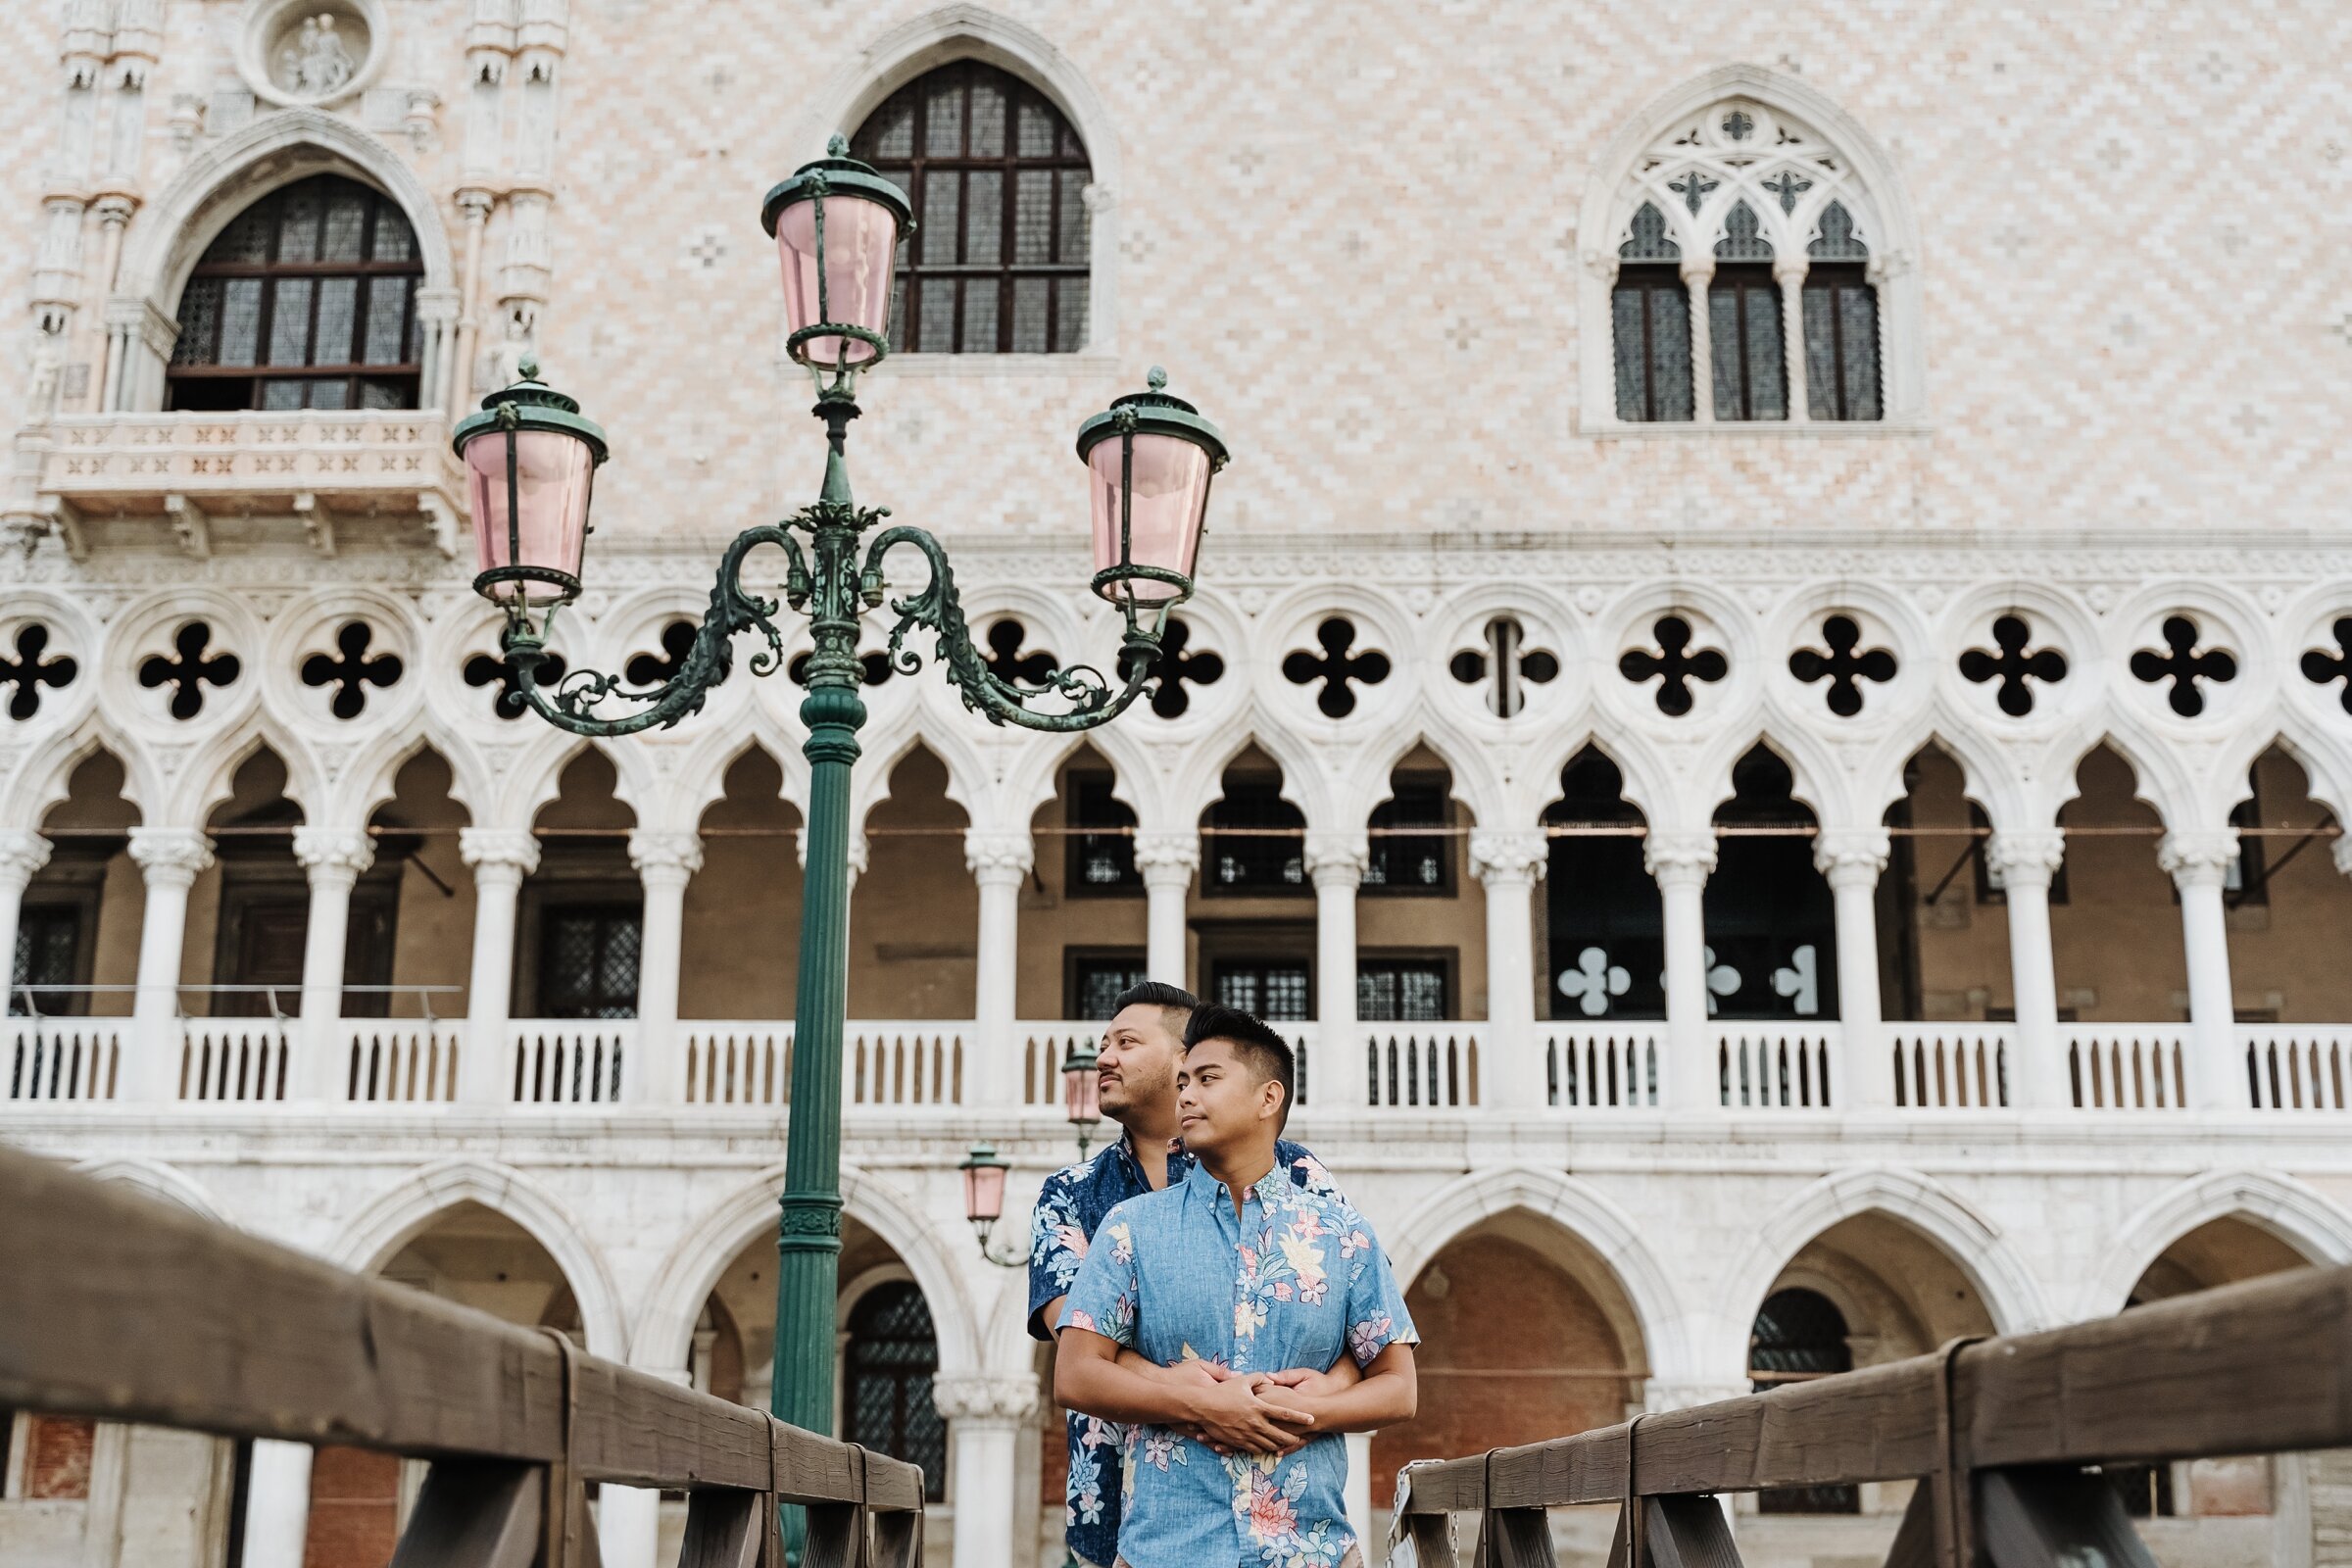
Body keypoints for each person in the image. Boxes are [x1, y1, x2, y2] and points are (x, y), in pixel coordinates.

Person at [1055, 1004, 1418, 1568]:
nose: (1185, 1096)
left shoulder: (1341, 1233)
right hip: (1164, 1553)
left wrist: (1308, 1413)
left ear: (1268, 1099)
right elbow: (1076, 1373)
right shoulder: (1131, 1227)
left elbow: (1399, 1387)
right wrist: (1202, 1402)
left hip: (1312, 1551)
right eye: (1181, 1083)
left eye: (1207, 1079)